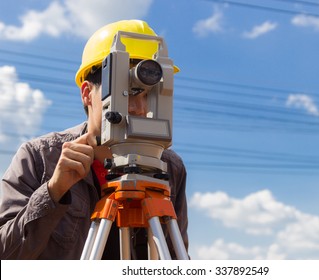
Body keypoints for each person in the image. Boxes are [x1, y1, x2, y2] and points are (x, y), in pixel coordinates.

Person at [0, 20, 188, 260]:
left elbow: (176, 257)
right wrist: (53, 191)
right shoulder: (38, 157)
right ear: (87, 93)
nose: (140, 108)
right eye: (128, 91)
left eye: (148, 95)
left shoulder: (170, 168)